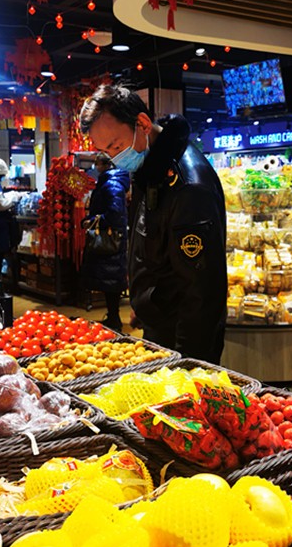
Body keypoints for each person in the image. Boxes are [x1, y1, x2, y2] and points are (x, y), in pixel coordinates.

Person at [79, 84, 227, 364]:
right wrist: (143, 300)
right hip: (160, 325)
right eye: (107, 152)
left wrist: (188, 365)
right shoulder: (151, 171)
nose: (115, 158)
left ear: (143, 124)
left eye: (116, 146)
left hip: (183, 341)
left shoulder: (188, 186)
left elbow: (202, 293)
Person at [79, 155, 131, 331]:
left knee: (111, 280)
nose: (95, 166)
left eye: (97, 163)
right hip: (112, 238)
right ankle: (113, 316)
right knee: (110, 279)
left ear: (105, 164)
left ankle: (114, 319)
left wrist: (94, 220)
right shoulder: (111, 182)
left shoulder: (112, 183)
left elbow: (115, 213)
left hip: (110, 239)